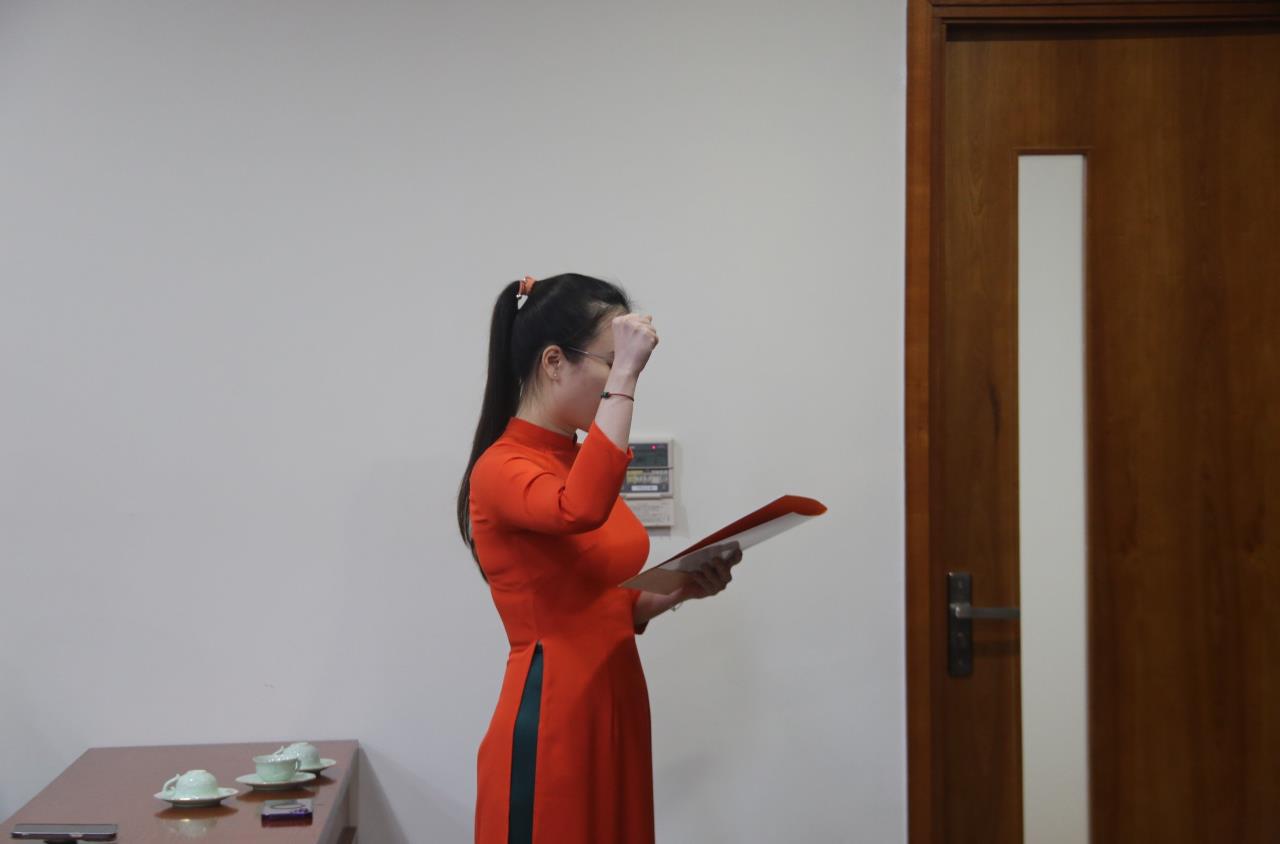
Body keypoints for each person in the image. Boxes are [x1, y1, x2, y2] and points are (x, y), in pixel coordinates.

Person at [457, 273, 743, 844]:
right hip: (556, 713)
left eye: (622, 368)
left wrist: (679, 589)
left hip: (616, 698)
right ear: (554, 362)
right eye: (609, 364)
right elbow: (580, 509)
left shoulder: (578, 459)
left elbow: (601, 601)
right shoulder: (502, 467)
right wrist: (627, 378)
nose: (619, 380)